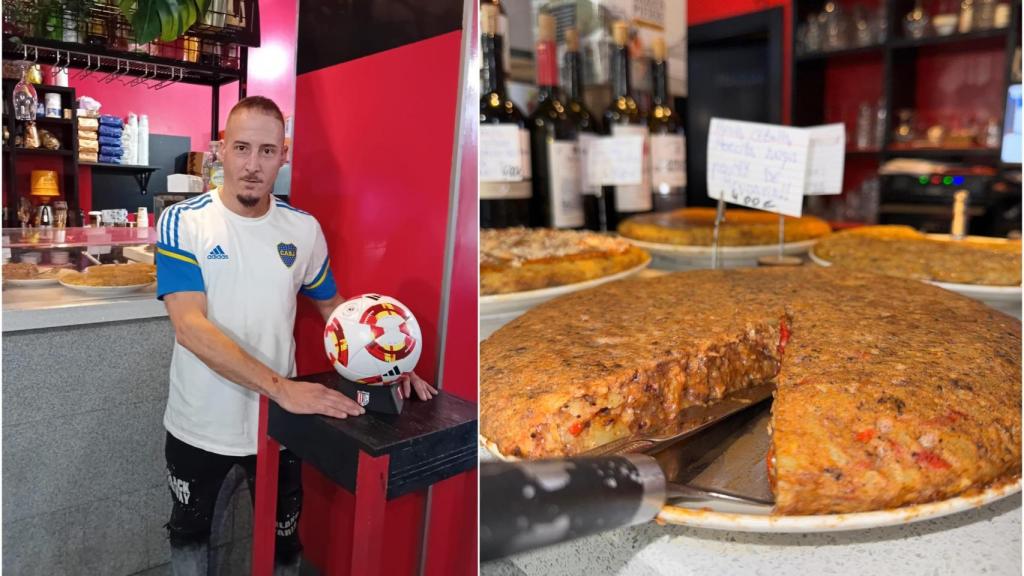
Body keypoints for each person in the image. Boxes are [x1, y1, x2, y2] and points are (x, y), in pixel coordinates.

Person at [155, 96, 438, 575]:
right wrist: (283, 388)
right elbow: (190, 328)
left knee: (286, 547)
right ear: (220, 151)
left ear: (283, 156)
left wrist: (388, 365)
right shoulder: (184, 222)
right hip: (199, 422)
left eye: (267, 151)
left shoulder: (303, 230)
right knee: (189, 539)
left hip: (280, 425)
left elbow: (334, 311)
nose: (252, 165)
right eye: (241, 148)